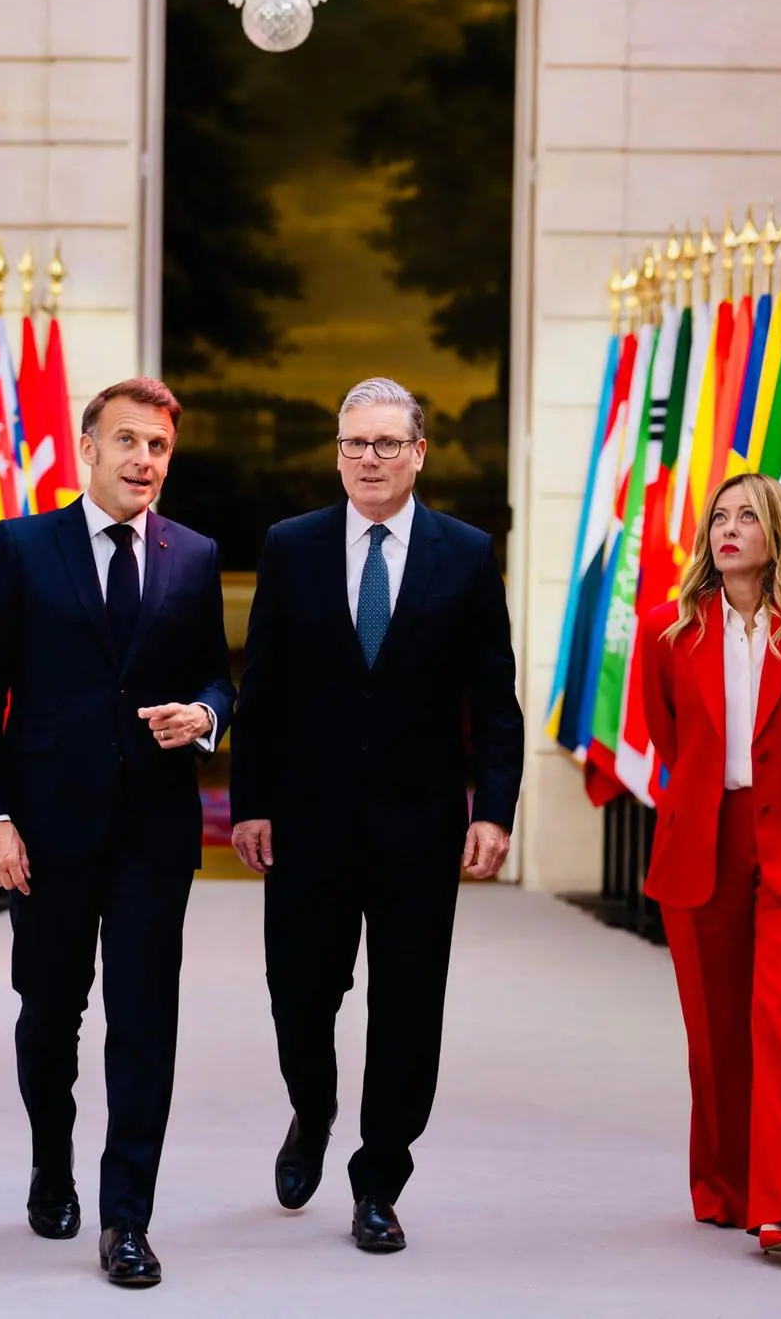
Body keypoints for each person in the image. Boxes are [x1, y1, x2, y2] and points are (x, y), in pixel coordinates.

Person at [230, 376, 523, 1254]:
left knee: (405, 1005)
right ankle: (311, 1106)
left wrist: (493, 807)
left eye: (387, 444)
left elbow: (493, 698)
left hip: (419, 823)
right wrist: (249, 804)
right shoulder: (292, 545)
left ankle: (378, 1178)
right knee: (299, 992)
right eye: (354, 443)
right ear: (337, 452)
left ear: (418, 453)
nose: (368, 459)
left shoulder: (465, 554)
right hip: (308, 820)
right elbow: (264, 687)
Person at [0, 377, 233, 1290]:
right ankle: (50, 1162)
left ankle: (126, 1219)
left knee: (145, 1022)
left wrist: (204, 711)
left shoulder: (193, 557)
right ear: (89, 447)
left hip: (154, 831)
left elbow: (218, 680)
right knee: (49, 1014)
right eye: (127, 442)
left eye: (157, 446)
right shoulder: (24, 547)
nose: (143, 460)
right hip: (44, 830)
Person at [638, 472, 781, 1256]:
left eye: (746, 516)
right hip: (704, 838)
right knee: (715, 1032)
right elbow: (670, 743)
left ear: (778, 531)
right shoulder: (663, 630)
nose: (727, 528)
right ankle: (727, 1185)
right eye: (718, 517)